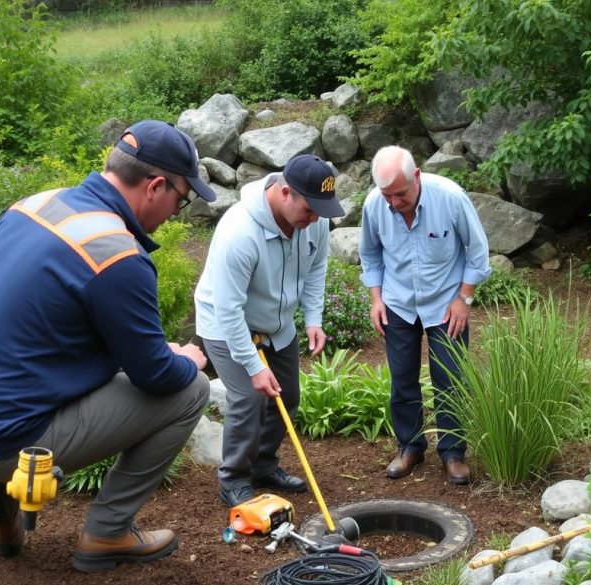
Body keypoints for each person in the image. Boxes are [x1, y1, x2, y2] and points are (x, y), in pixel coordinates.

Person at [0, 120, 216, 572]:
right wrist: (184, 359)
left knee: (28, 372)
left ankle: (0, 508)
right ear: (156, 186)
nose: (179, 210)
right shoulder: (116, 253)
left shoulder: (35, 205)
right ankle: (108, 533)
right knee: (189, 390)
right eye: (182, 198)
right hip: (2, 442)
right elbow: (154, 375)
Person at [194, 154, 345, 507]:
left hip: (276, 323)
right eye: (310, 209)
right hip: (226, 323)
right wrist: (253, 366)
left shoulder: (313, 220)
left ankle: (262, 464)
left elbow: (317, 268)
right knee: (248, 399)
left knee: (287, 397)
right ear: (285, 192)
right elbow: (229, 310)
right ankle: (233, 478)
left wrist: (313, 320)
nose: (315, 219)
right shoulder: (239, 233)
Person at [358, 145, 491, 485]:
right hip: (398, 303)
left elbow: (478, 254)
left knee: (450, 380)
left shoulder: (450, 198)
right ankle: (410, 447)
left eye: (400, 194)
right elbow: (370, 255)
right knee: (402, 379)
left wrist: (464, 298)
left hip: (447, 303)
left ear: (416, 176)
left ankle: (453, 453)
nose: (393, 203)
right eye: (387, 195)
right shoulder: (375, 204)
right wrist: (376, 298)